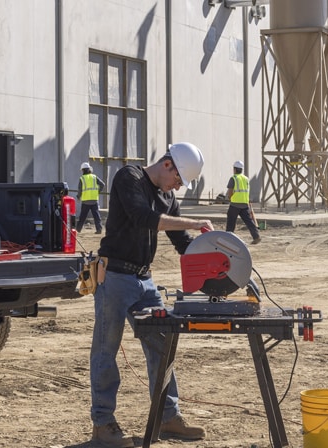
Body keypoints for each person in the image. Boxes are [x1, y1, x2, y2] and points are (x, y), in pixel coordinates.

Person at [90, 142, 212, 447]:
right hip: (114, 276)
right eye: (179, 180)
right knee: (106, 350)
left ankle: (168, 417)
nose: (177, 187)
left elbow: (182, 243)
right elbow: (144, 217)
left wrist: (215, 268)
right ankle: (103, 424)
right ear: (168, 164)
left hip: (144, 281)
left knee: (161, 347)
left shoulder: (168, 197)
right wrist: (197, 222)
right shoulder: (128, 178)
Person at [225, 160, 261, 244]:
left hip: (235, 204)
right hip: (244, 204)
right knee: (249, 221)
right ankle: (256, 236)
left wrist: (230, 198)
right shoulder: (246, 179)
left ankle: (228, 239)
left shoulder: (234, 178)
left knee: (231, 221)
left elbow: (230, 191)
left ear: (234, 169)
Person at [77, 162, 106, 234]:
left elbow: (80, 189)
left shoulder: (82, 178)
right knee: (96, 216)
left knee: (82, 217)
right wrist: (98, 192)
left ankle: (78, 229)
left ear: (83, 170)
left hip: (85, 201)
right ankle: (99, 230)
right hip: (94, 200)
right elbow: (102, 184)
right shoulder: (94, 177)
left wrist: (78, 196)